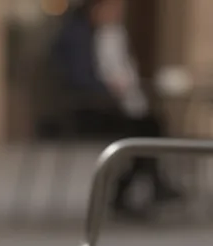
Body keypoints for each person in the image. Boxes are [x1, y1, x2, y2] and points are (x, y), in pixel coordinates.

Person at [49, 0, 181, 217]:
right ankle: (138, 188)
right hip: (84, 110)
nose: (115, 13)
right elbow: (80, 80)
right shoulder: (77, 37)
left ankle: (141, 186)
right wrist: (110, 89)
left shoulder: (104, 34)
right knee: (146, 128)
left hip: (101, 105)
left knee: (150, 124)